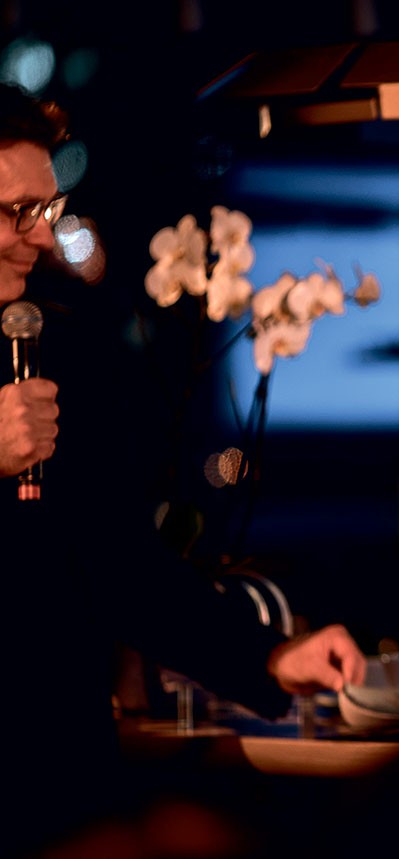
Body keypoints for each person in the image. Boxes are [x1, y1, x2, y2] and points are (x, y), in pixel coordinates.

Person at [0, 83, 367, 857]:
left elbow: (121, 563)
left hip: (61, 777)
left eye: (45, 209)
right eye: (15, 212)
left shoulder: (55, 349)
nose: (38, 235)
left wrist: (267, 657)